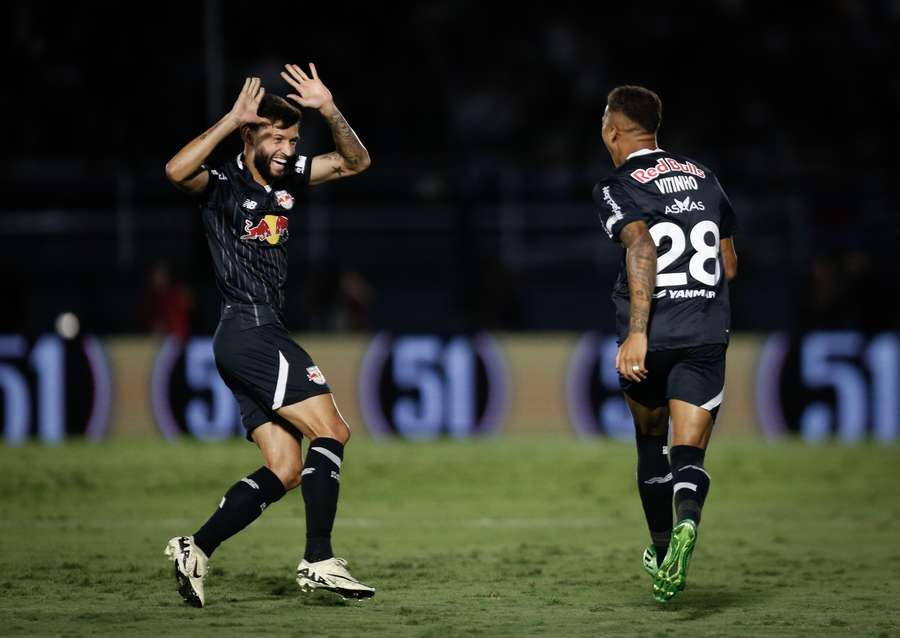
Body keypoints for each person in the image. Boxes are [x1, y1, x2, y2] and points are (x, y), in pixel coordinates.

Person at [162, 63, 373, 607]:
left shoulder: (287, 176)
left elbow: (356, 162)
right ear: (249, 134)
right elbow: (175, 171)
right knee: (334, 431)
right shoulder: (224, 183)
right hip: (249, 327)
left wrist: (328, 109)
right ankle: (319, 559)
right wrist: (229, 118)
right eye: (275, 137)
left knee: (284, 468)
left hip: (251, 333)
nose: (286, 148)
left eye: (293, 138)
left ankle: (197, 546)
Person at [592, 86, 738, 602]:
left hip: (652, 336)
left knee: (649, 440)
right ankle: (688, 523)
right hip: (704, 330)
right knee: (689, 453)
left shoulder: (615, 184)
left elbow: (642, 243)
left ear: (614, 129)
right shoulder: (705, 176)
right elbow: (729, 263)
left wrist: (637, 332)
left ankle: (658, 549)